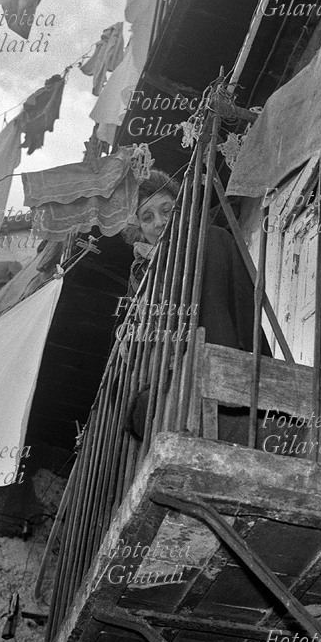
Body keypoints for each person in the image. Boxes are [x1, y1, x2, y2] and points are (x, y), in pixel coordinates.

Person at [122, 169, 270, 440]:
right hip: (174, 369)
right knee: (137, 411)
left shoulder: (212, 240)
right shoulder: (140, 274)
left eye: (167, 210)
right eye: (147, 217)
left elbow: (239, 307)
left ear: (181, 211)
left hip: (222, 357)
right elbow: (138, 335)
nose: (160, 222)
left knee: (213, 238)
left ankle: (221, 377)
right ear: (139, 229)